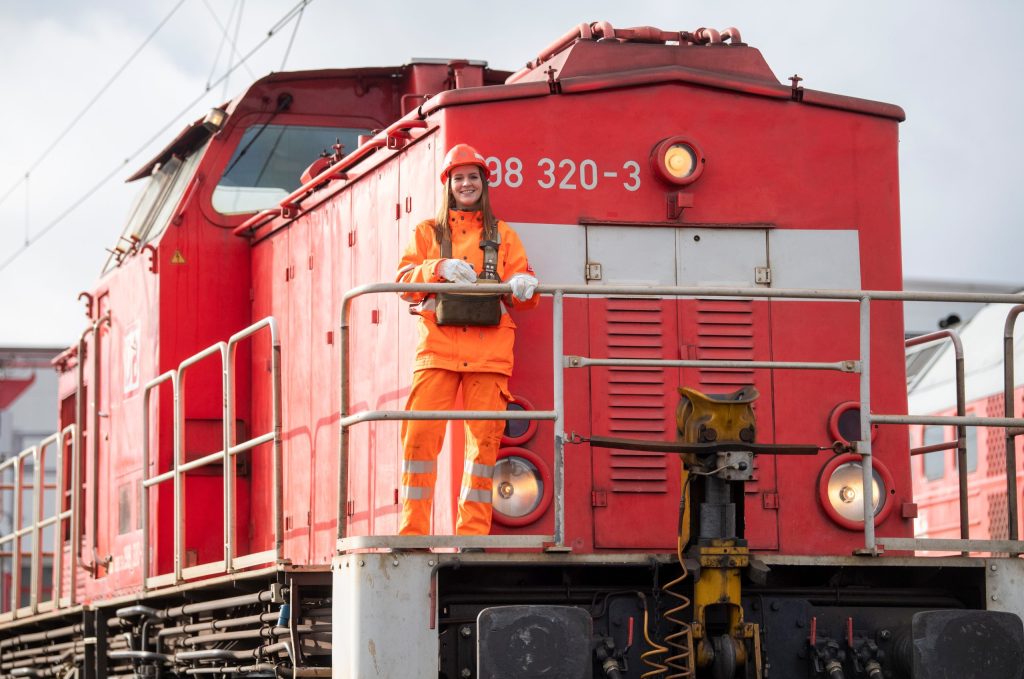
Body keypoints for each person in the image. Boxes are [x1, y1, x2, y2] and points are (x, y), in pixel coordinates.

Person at [395, 143, 539, 536]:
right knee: (419, 442)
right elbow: (403, 284)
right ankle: (413, 536)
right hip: (437, 352)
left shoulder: (503, 235)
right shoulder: (426, 232)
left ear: (483, 183)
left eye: (472, 177)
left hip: (488, 354)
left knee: (483, 448)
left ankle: (472, 537)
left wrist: (526, 284)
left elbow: (522, 294)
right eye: (458, 178)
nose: (466, 184)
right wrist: (438, 266)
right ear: (448, 185)